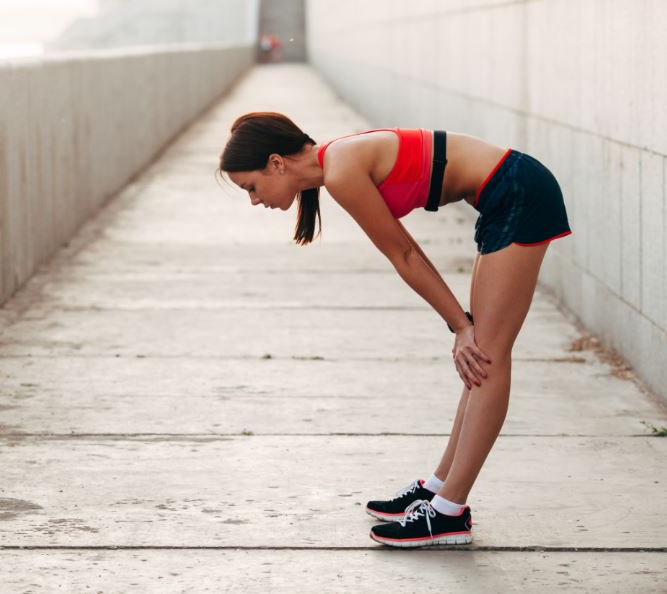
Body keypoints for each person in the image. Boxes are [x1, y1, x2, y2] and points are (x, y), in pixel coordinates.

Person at [218, 112, 572, 548]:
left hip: (517, 190)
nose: (254, 201)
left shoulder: (341, 170)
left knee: (486, 356)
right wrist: (461, 327)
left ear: (276, 163)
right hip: (506, 192)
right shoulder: (336, 163)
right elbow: (407, 252)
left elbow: (404, 254)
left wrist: (460, 326)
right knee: (481, 353)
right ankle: (440, 488)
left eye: (251, 187)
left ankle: (449, 512)